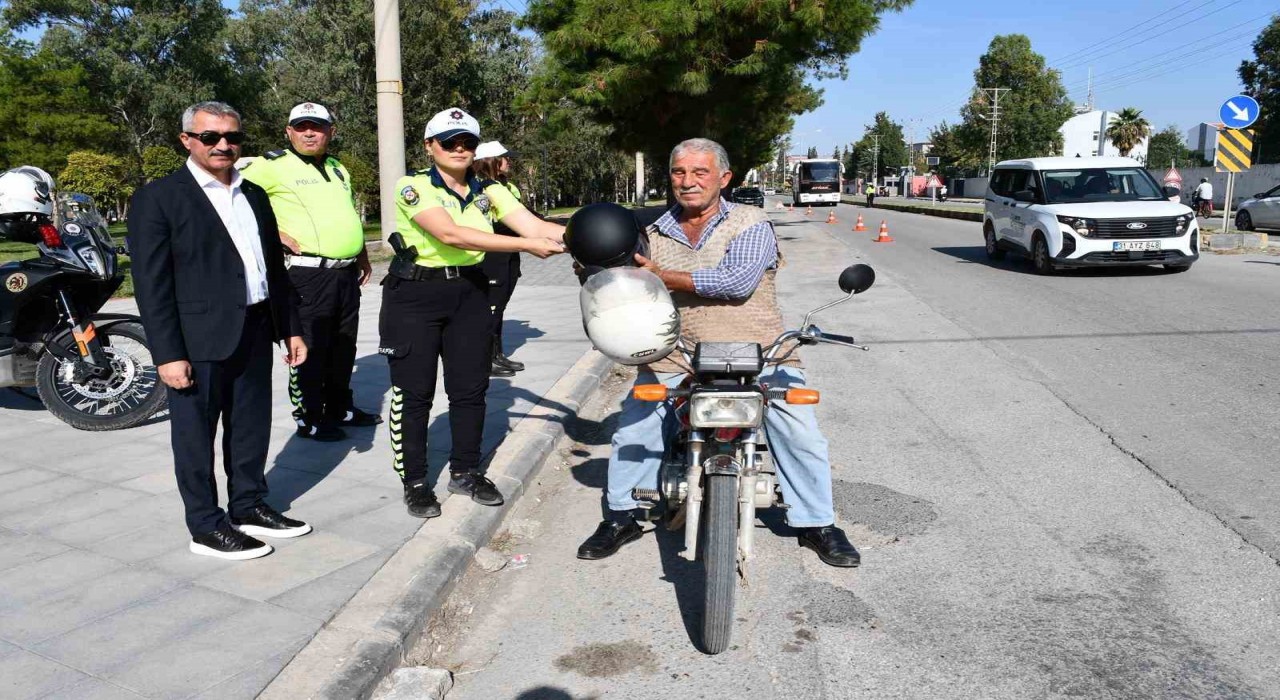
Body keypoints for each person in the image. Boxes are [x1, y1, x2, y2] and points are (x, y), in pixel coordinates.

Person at [575, 137, 861, 568]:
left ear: (724, 178)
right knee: (635, 426)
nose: (688, 182)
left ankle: (817, 522)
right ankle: (623, 514)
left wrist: (662, 276)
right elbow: (614, 272)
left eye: (700, 172)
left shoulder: (750, 223)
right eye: (678, 172)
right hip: (677, 353)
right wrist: (590, 263)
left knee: (799, 430)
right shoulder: (649, 230)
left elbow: (737, 282)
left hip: (760, 352)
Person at [128, 101, 310, 560]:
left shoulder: (254, 195)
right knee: (195, 435)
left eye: (232, 137)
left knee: (251, 427)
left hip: (253, 326)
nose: (223, 145)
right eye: (211, 137)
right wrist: (167, 353)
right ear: (187, 140)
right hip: (195, 339)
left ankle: (248, 506)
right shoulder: (160, 198)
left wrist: (291, 328)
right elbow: (152, 285)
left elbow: (272, 268)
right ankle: (206, 526)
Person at [382, 108, 565, 520]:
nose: (460, 149)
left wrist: (593, 236)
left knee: (470, 390)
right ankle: (415, 482)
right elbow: (449, 233)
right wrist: (523, 245)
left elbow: (535, 225)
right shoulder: (413, 187)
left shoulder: (489, 190)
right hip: (416, 294)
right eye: (450, 142)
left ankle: (465, 471)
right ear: (431, 146)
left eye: (467, 142)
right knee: (415, 395)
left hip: (469, 292)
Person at [240, 101, 381, 442]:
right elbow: (232, 198)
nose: (309, 133)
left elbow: (346, 215)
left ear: (330, 131)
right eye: (301, 126)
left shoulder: (338, 168)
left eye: (316, 127)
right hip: (306, 275)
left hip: (344, 274)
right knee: (308, 347)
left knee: (343, 346)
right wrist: (273, 234)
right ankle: (309, 416)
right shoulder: (269, 166)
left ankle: (338, 407)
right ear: (289, 131)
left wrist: (361, 256)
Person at [473, 140, 526, 377]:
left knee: (500, 306)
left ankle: (497, 354)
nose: (509, 162)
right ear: (492, 161)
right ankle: (485, 359)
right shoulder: (481, 188)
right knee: (491, 307)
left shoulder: (506, 186)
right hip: (493, 256)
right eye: (505, 158)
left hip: (509, 255)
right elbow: (494, 224)